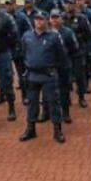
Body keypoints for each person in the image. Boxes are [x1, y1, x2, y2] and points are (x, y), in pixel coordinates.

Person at [19, 11, 67, 144]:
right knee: (32, 103)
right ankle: (30, 129)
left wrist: (53, 68)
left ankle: (57, 130)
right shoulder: (27, 36)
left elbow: (61, 56)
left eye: (42, 19)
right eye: (37, 19)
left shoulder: (54, 36)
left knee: (53, 103)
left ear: (47, 21)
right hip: (32, 75)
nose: (39, 22)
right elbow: (24, 52)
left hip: (48, 75)